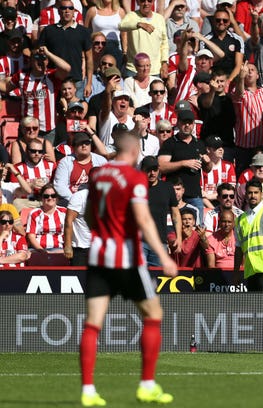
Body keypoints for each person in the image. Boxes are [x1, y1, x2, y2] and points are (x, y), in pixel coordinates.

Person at [79, 132, 177, 406]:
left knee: (93, 322)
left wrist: (102, 232)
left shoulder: (98, 175)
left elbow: (89, 213)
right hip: (128, 259)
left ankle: (88, 391)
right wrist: (163, 256)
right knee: (153, 314)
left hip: (99, 256)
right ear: (134, 152)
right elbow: (143, 218)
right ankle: (146, 384)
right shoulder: (135, 178)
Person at [158, 108, 212, 219]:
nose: (187, 125)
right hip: (174, 195)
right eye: (184, 122)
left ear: (193, 124)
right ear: (178, 123)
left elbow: (208, 169)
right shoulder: (170, 143)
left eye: (190, 122)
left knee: (197, 229)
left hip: (195, 194)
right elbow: (161, 166)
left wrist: (208, 162)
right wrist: (183, 163)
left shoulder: (199, 144)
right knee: (172, 229)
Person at [39, 0, 93, 99]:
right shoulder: (48, 31)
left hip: (76, 81)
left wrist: (89, 83)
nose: (67, 11)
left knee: (76, 112)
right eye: (63, 8)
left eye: (70, 8)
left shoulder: (84, 31)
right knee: (53, 112)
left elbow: (89, 59)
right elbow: (40, 55)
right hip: (53, 80)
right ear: (59, 11)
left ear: (74, 12)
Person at [141, 155, 181, 267]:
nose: (152, 173)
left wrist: (179, 238)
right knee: (139, 279)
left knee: (158, 280)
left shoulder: (167, 188)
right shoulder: (136, 187)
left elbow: (176, 214)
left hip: (160, 241)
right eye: (149, 170)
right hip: (139, 241)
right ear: (142, 170)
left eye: (155, 169)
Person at [119, 0, 169, 78]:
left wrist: (164, 62)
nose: (146, 3)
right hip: (133, 69)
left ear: (153, 2)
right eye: (142, 1)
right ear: (138, 2)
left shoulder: (159, 19)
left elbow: (164, 43)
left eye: (149, 1)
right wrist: (138, 24)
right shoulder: (131, 16)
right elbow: (121, 26)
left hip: (154, 70)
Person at [25, 184, 66, 252]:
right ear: (41, 198)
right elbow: (31, 236)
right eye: (46, 196)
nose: (50, 198)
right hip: (38, 249)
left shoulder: (64, 212)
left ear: (56, 197)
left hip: (59, 249)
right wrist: (42, 251)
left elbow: (69, 234)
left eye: (53, 195)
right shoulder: (34, 213)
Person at [63, 189, 90, 266]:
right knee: (79, 276)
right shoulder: (80, 196)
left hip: (101, 247)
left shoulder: (110, 195)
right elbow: (68, 220)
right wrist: (68, 245)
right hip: (81, 247)